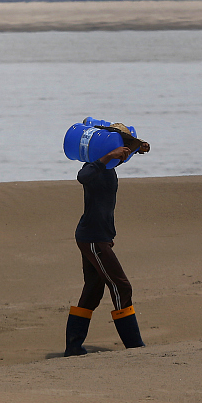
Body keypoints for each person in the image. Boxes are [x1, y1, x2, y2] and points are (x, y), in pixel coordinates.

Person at [65, 123, 150, 356]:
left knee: (93, 290)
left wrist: (137, 148)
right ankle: (134, 345)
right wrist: (106, 157)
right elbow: (82, 176)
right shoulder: (93, 167)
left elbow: (123, 153)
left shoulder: (110, 165)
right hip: (92, 238)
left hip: (99, 237)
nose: (120, 150)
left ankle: (73, 347)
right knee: (121, 286)